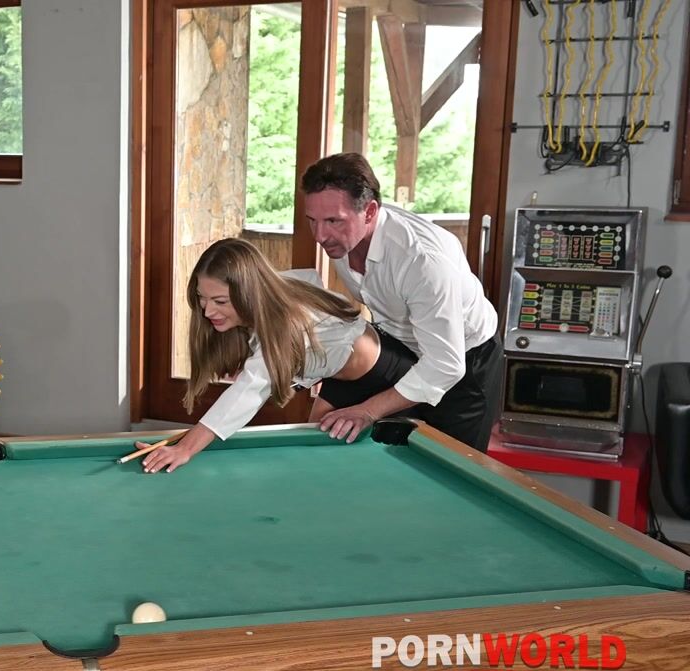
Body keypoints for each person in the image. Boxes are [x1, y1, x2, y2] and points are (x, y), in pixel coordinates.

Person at [140, 238, 418, 473]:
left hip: (389, 374)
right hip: (342, 378)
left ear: (249, 293)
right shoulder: (269, 289)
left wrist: (185, 449)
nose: (208, 311)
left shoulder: (284, 323)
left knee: (347, 463)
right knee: (315, 456)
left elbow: (248, 391)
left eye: (220, 301)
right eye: (202, 298)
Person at [300, 152, 500, 451]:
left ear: (370, 212)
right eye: (312, 221)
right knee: (347, 429)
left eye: (333, 221)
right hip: (401, 343)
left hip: (463, 359)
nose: (320, 236)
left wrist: (368, 410)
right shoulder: (343, 240)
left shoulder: (422, 261)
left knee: (447, 465)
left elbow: (446, 364)